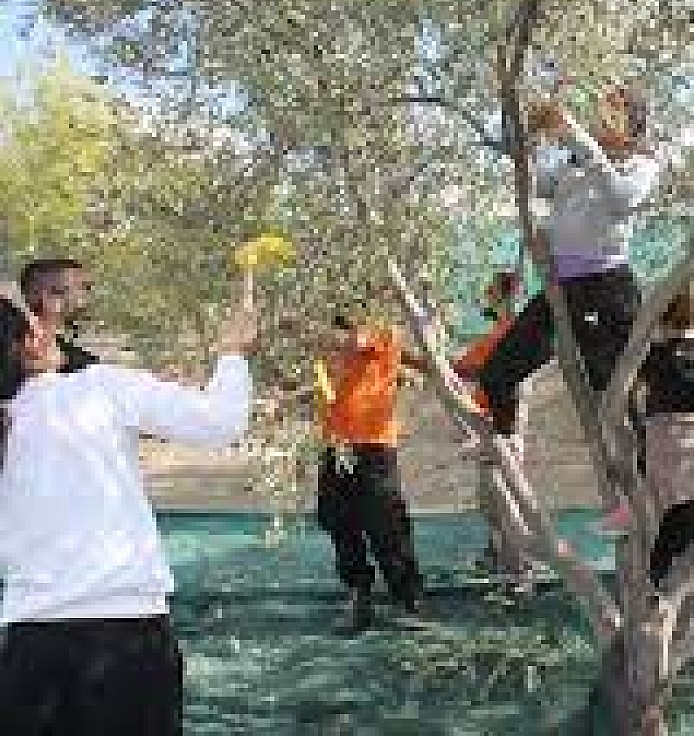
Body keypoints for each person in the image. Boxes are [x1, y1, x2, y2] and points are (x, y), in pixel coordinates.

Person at [0, 277, 256, 736]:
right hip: (130, 638)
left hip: (28, 648)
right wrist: (233, 350)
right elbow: (222, 422)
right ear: (33, 339)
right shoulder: (103, 388)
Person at [476, 84, 661, 532]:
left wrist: (580, 140)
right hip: (561, 289)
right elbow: (538, 184)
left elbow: (621, 201)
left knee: (614, 400)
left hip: (607, 289)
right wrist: (533, 139)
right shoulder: (578, 162)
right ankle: (505, 446)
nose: (601, 120)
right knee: (498, 372)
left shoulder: (643, 165)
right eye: (601, 113)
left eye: (612, 114)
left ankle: (636, 500)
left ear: (632, 122)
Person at [313, 304, 433, 631]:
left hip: (374, 445)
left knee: (386, 524)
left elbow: (354, 341)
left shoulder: (380, 330)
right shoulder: (335, 349)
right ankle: (359, 593)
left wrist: (301, 328)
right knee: (337, 519)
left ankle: (409, 597)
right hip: (337, 445)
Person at [638, 287, 694, 593]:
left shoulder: (653, 355)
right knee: (687, 516)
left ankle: (661, 592)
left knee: (663, 522)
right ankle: (692, 591)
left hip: (667, 439)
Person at [452, 271, 534, 582]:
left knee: (502, 496)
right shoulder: (501, 334)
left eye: (491, 294)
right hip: (492, 426)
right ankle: (498, 553)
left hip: (503, 429)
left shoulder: (511, 336)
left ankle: (519, 570)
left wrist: (419, 360)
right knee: (492, 496)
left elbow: (465, 369)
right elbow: (465, 369)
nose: (486, 299)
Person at [19, 258, 98, 372]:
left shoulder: (81, 361)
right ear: (47, 296)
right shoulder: (12, 347)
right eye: (81, 286)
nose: (86, 294)